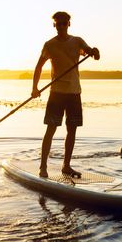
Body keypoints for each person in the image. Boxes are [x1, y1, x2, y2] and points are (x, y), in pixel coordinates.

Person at [32, 11, 100, 178]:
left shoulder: (77, 41)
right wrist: (35, 87)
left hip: (74, 92)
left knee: (72, 130)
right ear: (54, 25)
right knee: (51, 129)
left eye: (64, 23)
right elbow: (39, 66)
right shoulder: (49, 45)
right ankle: (43, 167)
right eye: (58, 23)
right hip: (57, 93)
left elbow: (93, 54)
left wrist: (95, 51)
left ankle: (66, 166)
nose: (61, 26)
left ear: (69, 24)